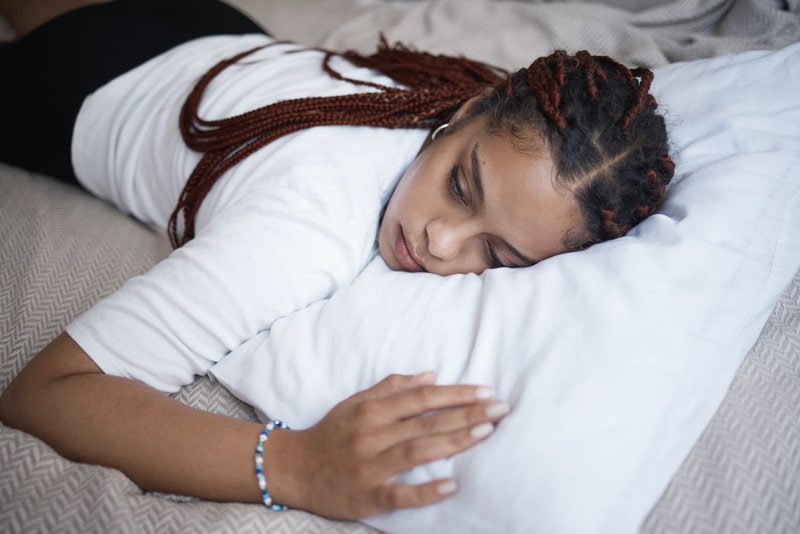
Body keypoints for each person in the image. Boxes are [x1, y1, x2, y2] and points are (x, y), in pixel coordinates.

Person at [0, 0, 675, 522]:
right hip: (86, 79)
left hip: (212, 33)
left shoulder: (449, 112)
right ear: (467, 113)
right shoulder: (303, 236)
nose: (441, 240)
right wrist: (293, 465)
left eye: (495, 253)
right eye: (461, 186)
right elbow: (44, 393)